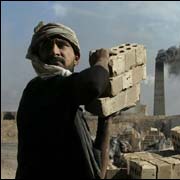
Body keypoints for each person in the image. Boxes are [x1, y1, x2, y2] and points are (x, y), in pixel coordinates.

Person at [15, 21, 112, 178]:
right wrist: (102, 60)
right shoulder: (39, 89)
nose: (54, 51)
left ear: (76, 57)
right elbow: (93, 83)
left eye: (61, 45)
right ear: (38, 57)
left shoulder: (69, 103)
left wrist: (106, 116)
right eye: (47, 47)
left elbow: (96, 171)